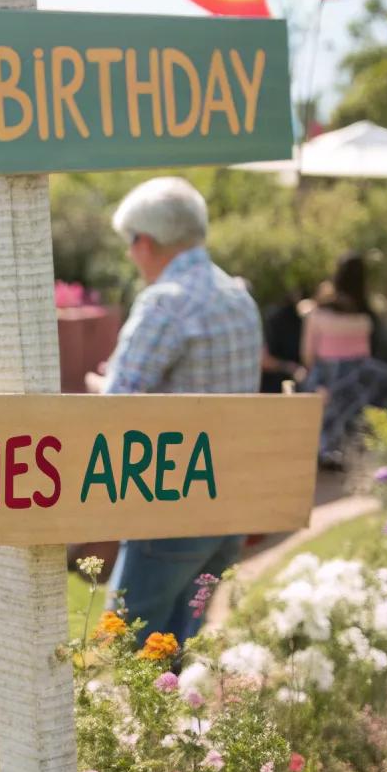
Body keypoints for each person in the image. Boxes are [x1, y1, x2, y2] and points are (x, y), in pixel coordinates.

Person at [85, 177, 262, 645]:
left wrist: (100, 384)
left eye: (130, 243)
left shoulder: (167, 302)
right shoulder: (238, 296)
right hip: (230, 503)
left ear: (144, 242)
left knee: (125, 646)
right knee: (180, 646)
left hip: (172, 501)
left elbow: (114, 406)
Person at [301, 254, 387, 466]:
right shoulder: (366, 316)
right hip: (360, 377)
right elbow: (366, 353)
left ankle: (325, 448)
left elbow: (307, 355)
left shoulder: (319, 313)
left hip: (329, 377)